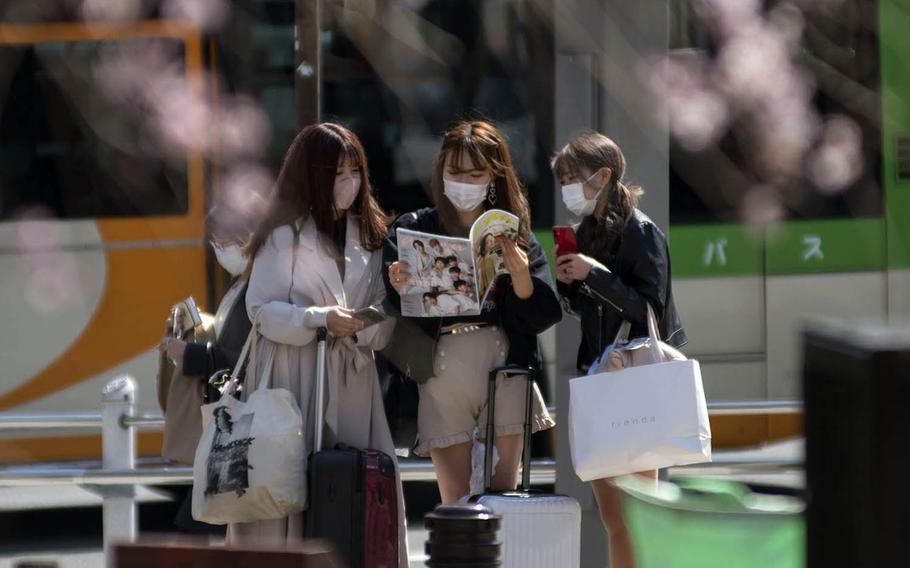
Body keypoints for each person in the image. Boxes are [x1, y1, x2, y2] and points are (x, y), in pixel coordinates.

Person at [234, 123, 408, 566]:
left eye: (355, 170)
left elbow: (380, 324)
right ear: (312, 174)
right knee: (290, 490)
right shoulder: (283, 233)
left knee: (354, 493)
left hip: (353, 378)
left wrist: (378, 311)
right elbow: (260, 310)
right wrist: (319, 320)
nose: (349, 182)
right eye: (337, 172)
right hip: (294, 377)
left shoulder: (369, 235)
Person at [385, 120, 561, 503]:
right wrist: (398, 283)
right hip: (442, 366)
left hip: (505, 367)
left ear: (494, 177)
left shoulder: (515, 232)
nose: (464, 182)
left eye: (476, 173)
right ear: (441, 173)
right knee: (457, 501)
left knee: (503, 496)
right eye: (455, 172)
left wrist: (518, 273)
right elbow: (392, 312)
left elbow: (545, 311)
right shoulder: (417, 227)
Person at [551, 132, 686, 568]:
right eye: (563, 180)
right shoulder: (588, 231)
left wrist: (593, 275)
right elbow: (587, 312)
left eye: (574, 179)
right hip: (602, 377)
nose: (568, 190)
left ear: (604, 175)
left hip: (636, 377)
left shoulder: (641, 232)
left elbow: (651, 309)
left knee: (636, 513)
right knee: (613, 515)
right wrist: (571, 281)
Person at [159, 200, 259, 535]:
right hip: (230, 427)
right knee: (206, 527)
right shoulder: (240, 283)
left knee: (197, 527)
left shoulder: (259, 287)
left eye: (225, 240)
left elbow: (249, 361)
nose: (219, 249)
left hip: (241, 430)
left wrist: (191, 354)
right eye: (214, 242)